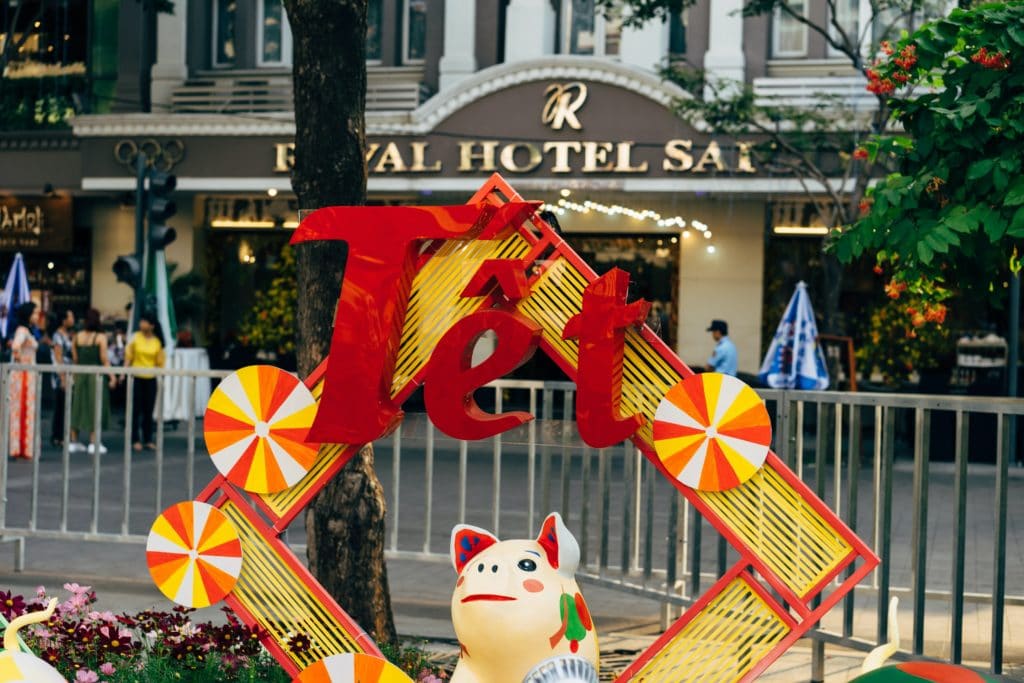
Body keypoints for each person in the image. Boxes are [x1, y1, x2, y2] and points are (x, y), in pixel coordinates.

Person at [69, 309, 114, 454]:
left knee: (77, 407)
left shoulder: (77, 336)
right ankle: (94, 441)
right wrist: (112, 376)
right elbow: (104, 359)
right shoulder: (101, 337)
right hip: (96, 376)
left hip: (80, 374)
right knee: (95, 406)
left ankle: (73, 440)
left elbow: (75, 359)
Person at [126, 313, 165, 451]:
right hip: (136, 376)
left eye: (144, 321)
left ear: (152, 326)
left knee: (149, 410)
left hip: (151, 379)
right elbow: (128, 356)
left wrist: (161, 375)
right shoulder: (135, 337)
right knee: (135, 410)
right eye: (141, 321)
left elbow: (160, 362)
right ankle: (134, 439)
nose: (141, 323)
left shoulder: (157, 342)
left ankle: (148, 439)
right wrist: (124, 374)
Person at [7, 302, 38, 459]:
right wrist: (22, 362)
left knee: (23, 411)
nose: (37, 316)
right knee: (23, 410)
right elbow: (15, 347)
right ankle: (22, 448)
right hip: (24, 375)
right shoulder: (23, 331)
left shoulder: (26, 331)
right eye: (34, 313)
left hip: (26, 374)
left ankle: (22, 447)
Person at [50, 309, 74, 447]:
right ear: (64, 320)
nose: (73, 319)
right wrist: (62, 377)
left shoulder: (68, 335)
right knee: (60, 405)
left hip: (68, 372)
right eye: (71, 317)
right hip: (61, 374)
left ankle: (63, 435)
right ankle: (57, 435)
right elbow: (58, 357)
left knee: (66, 405)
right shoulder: (57, 335)